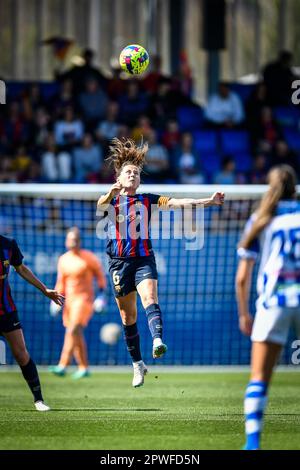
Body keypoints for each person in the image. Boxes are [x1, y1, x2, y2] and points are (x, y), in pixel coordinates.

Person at [97, 138, 225, 387]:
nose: (133, 174)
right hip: (118, 263)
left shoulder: (148, 199)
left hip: (144, 259)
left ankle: (157, 340)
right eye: (128, 172)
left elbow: (179, 203)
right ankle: (137, 364)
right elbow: (99, 206)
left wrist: (208, 202)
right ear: (119, 178)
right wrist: (110, 193)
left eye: (136, 172)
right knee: (127, 316)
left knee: (150, 298)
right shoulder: (111, 200)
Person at [235, 165, 300, 450]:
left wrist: (244, 313)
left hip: (274, 301)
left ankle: (252, 443)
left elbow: (241, 279)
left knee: (259, 377)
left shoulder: (260, 220)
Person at [0, 235, 64, 410]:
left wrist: (44, 290)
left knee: (21, 354)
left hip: (6, 311)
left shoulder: (8, 244)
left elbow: (21, 268)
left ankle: (39, 400)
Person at [50, 227, 106, 379]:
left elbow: (100, 278)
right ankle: (83, 367)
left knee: (73, 329)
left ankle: (63, 365)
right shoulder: (63, 259)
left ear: (80, 241)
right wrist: (55, 301)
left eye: (75, 240)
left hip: (84, 299)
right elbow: (60, 282)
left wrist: (101, 297)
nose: (72, 242)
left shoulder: (89, 257)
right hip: (69, 302)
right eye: (70, 239)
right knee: (75, 333)